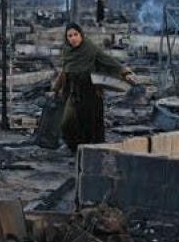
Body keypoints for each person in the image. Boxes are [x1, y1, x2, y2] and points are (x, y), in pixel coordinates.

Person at [53, 23, 137, 152]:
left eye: (76, 34)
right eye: (70, 36)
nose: (73, 38)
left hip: (90, 91)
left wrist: (125, 73)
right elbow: (64, 71)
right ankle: (74, 148)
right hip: (73, 92)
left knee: (89, 124)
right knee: (67, 123)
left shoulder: (91, 49)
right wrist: (55, 88)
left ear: (81, 35)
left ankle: (88, 153)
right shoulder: (66, 51)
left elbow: (108, 61)